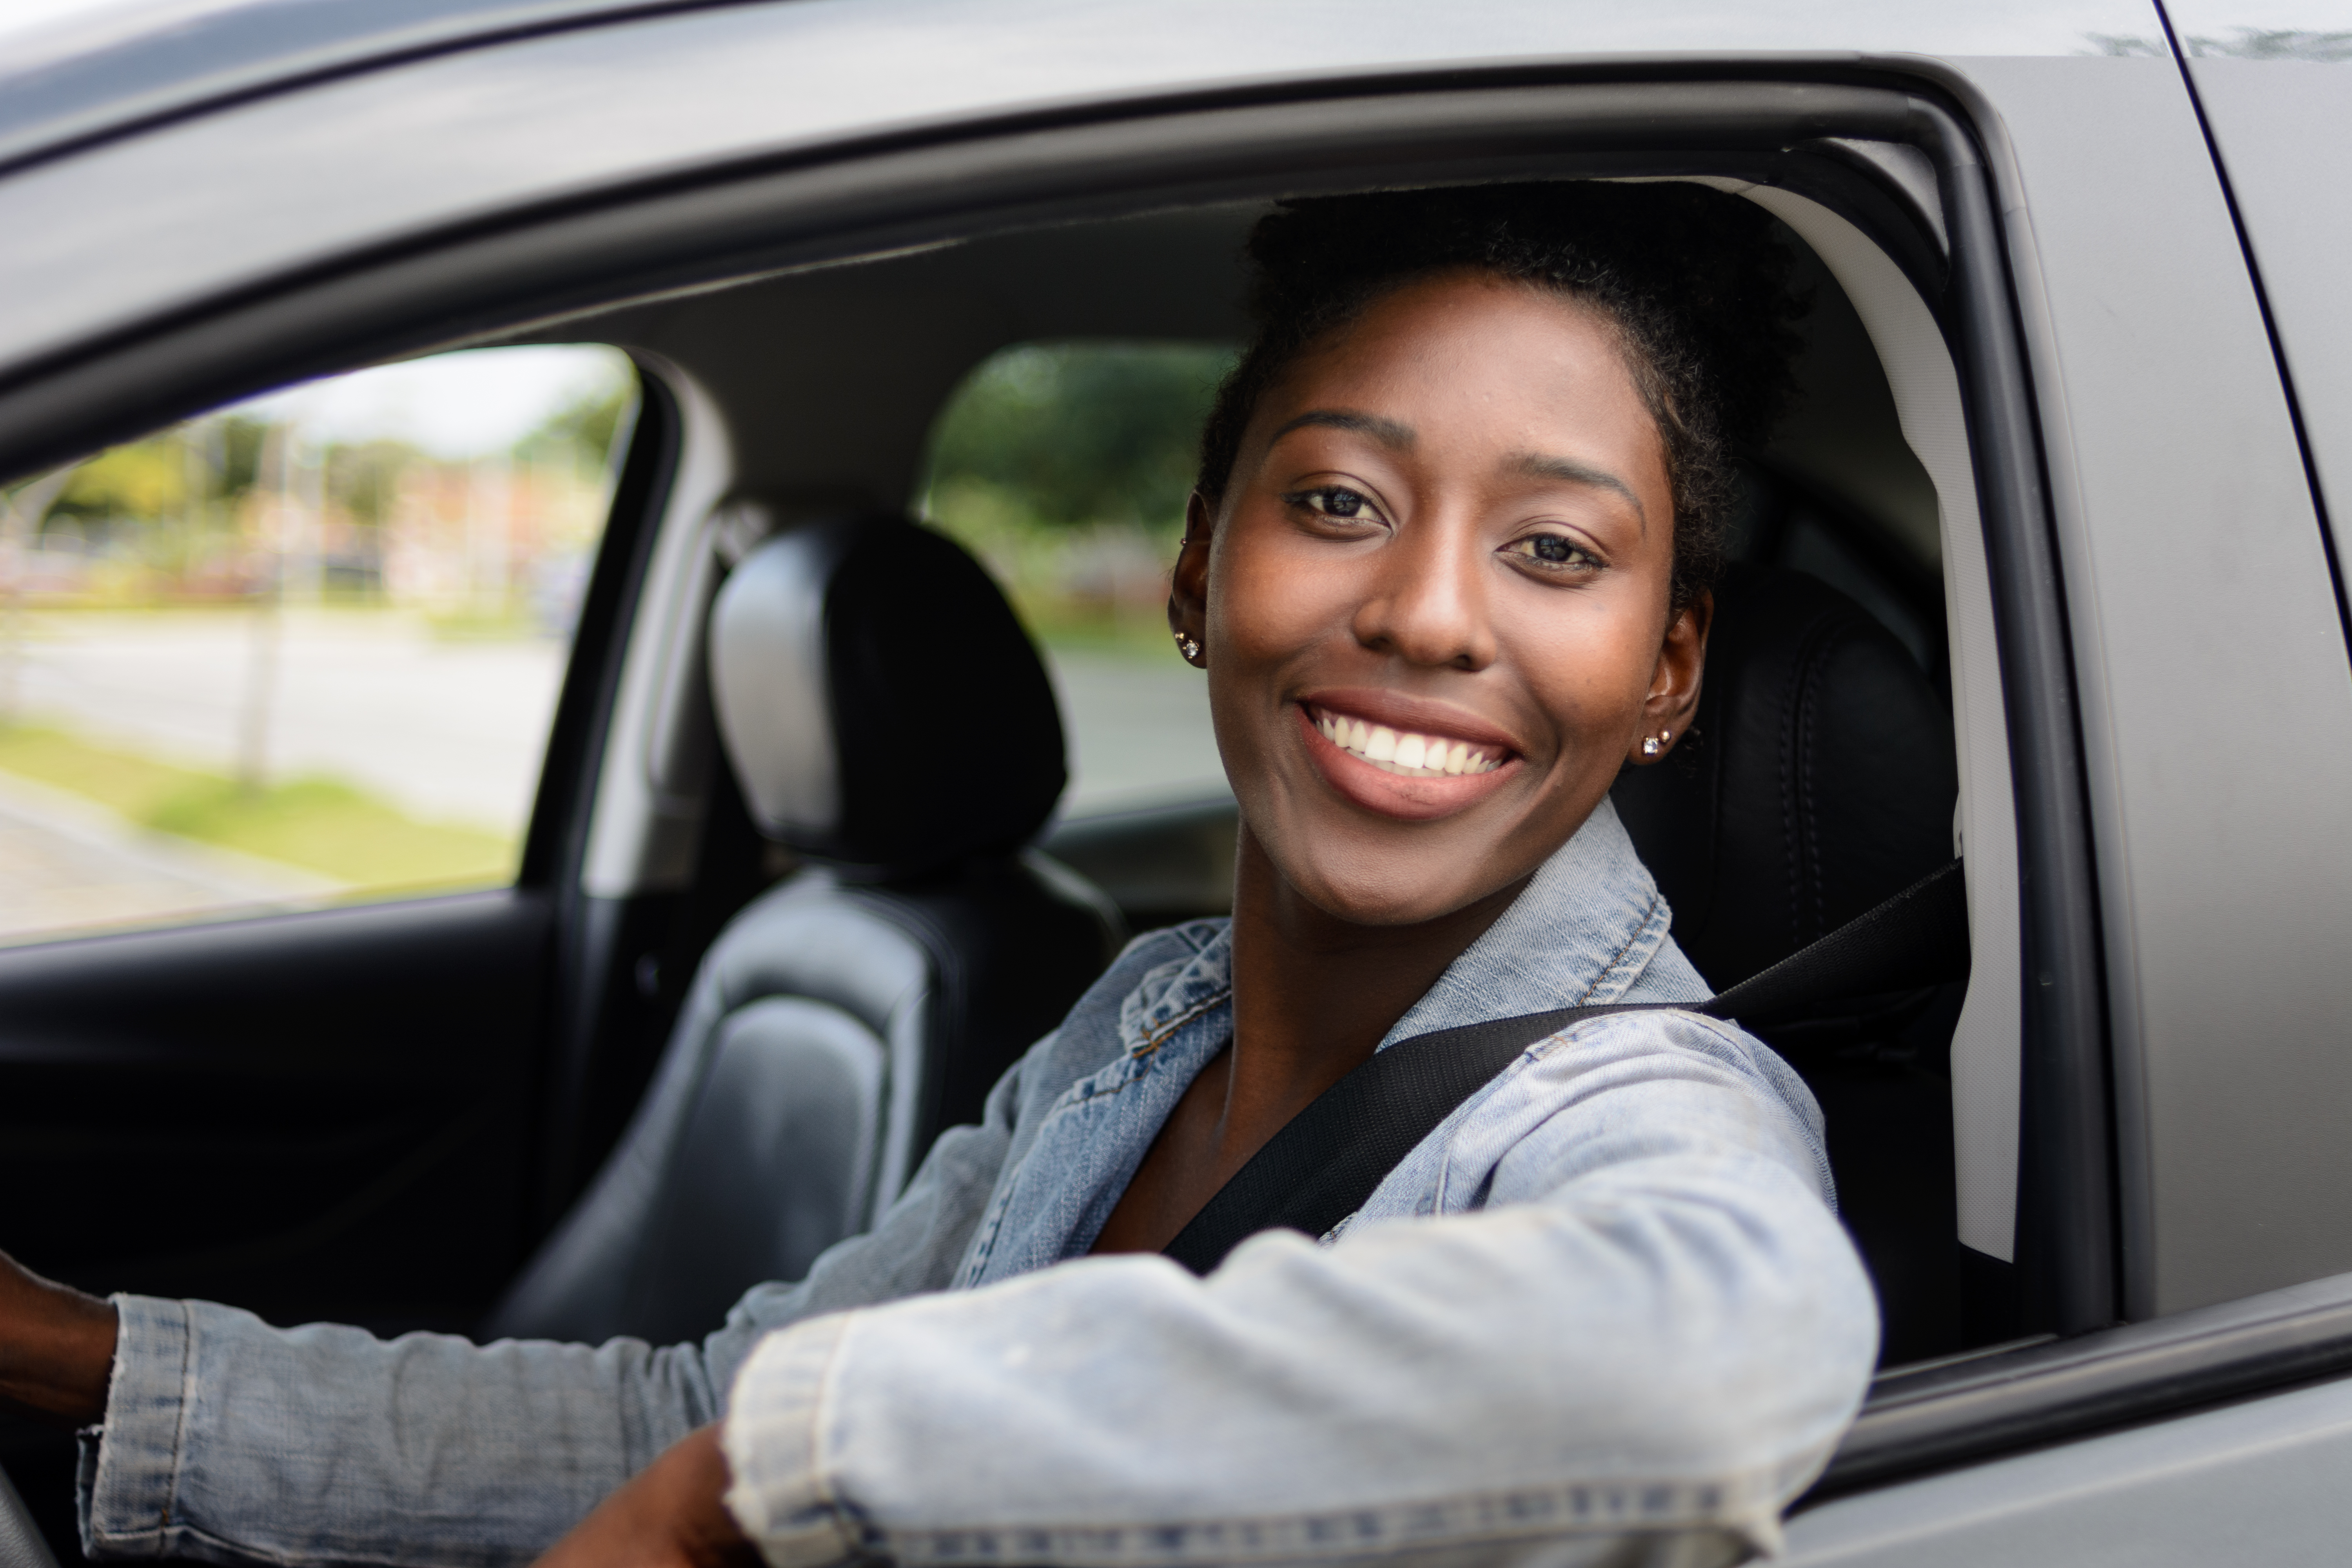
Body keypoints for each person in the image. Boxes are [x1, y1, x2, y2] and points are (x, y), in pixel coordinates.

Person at [0, 181, 1877, 1568]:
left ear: (1669, 670)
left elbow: (1715, 1349)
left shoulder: (1638, 1100)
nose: (1428, 612)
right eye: (1336, 503)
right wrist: (80, 1355)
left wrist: (788, 1473)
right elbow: (692, 1414)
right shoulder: (1140, 1031)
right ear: (1198, 567)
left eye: (1556, 550)